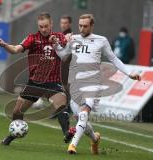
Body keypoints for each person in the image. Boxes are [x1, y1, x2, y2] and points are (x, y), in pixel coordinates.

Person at [51, 14, 141, 154]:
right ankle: (94, 138)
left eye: (85, 26)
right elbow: (63, 56)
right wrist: (55, 45)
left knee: (84, 113)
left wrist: (129, 73)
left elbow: (114, 59)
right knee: (82, 119)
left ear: (92, 26)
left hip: (93, 83)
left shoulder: (101, 40)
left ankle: (72, 145)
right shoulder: (73, 39)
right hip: (75, 84)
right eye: (80, 25)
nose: (81, 28)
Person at [0, 12, 74, 145]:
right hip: (35, 83)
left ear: (51, 24)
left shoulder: (60, 37)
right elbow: (15, 49)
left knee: (61, 105)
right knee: (17, 112)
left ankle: (67, 133)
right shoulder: (32, 38)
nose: (43, 29)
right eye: (41, 26)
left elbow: (68, 50)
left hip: (53, 82)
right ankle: (13, 135)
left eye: (46, 26)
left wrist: (70, 40)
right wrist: (3, 44)